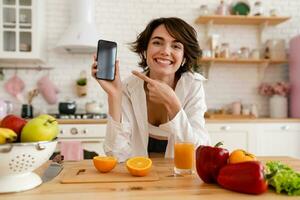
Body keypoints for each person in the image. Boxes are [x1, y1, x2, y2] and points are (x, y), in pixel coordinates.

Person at [91, 17, 210, 162]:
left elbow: (199, 152)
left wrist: (173, 105)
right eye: (157, 42)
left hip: (179, 180)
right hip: (139, 178)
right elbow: (116, 155)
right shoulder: (128, 88)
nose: (165, 51)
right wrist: (114, 95)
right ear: (145, 50)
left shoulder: (193, 86)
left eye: (176, 46)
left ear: (184, 56)